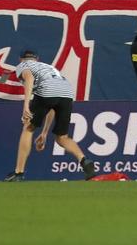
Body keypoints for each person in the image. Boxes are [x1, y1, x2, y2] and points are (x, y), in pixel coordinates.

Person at [7, 48, 96, 181]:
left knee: (28, 128)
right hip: (67, 92)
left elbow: (29, 78)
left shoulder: (23, 65)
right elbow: (52, 107)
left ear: (20, 59)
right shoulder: (49, 67)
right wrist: (44, 133)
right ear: (37, 59)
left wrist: (25, 105)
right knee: (62, 138)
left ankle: (18, 173)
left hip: (47, 90)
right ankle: (84, 161)